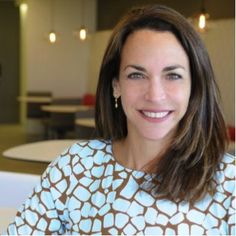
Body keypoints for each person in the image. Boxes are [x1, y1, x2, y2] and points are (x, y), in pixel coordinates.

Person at [4, 4, 235, 235]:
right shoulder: (74, 167)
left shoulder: (228, 181)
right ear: (116, 85)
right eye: (136, 74)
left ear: (193, 86)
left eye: (173, 75)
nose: (155, 95)